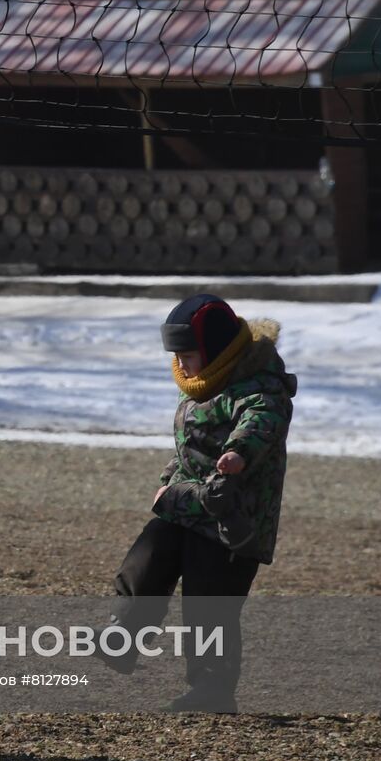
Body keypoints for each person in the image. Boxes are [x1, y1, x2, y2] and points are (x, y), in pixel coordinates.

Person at [99, 293, 296, 713]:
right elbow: (188, 447)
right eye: (177, 356)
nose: (181, 365)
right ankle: (123, 634)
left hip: (232, 514)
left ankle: (213, 689)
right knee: (146, 558)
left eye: (188, 355)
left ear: (217, 351)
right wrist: (168, 481)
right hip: (189, 500)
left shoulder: (260, 385)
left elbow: (262, 420)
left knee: (211, 602)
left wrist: (239, 452)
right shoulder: (202, 384)